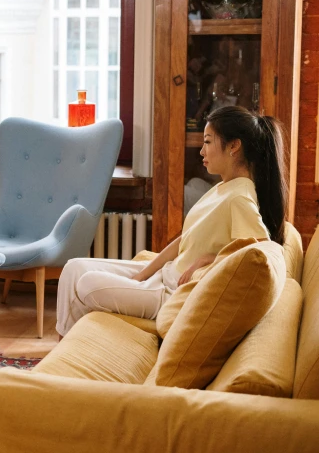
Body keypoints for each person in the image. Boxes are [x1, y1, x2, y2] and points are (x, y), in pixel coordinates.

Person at [55, 105, 287, 337]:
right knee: (74, 267)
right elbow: (183, 241)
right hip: (162, 276)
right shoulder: (223, 188)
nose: (201, 151)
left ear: (234, 146)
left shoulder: (239, 197)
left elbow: (259, 253)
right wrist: (141, 275)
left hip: (169, 293)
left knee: (87, 284)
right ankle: (65, 344)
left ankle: (68, 348)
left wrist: (208, 260)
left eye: (207, 142)